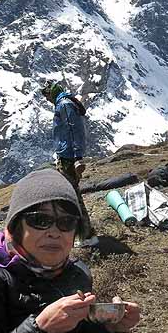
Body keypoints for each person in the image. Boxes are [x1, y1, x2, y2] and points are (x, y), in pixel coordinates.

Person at [0, 169, 141, 333]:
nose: (54, 232)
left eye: (66, 222)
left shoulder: (77, 273)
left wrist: (111, 330)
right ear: (15, 227)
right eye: (40, 220)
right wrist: (41, 328)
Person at [41, 80, 97, 246]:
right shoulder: (65, 103)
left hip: (68, 157)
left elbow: (74, 130)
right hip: (65, 154)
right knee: (71, 194)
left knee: (72, 196)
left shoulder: (64, 105)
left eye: (46, 95)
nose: (46, 99)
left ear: (52, 92)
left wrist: (77, 157)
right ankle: (81, 233)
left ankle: (87, 235)